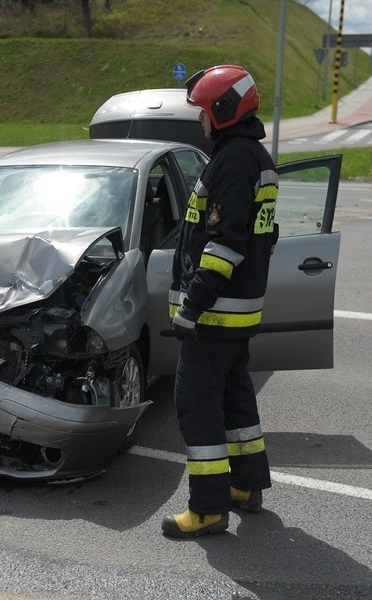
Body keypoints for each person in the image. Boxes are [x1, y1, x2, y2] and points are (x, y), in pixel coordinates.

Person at [161, 65, 278, 539]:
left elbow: (223, 245)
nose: (201, 122)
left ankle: (207, 509)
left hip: (215, 312)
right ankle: (246, 488)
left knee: (195, 404)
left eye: (205, 113)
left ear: (224, 113)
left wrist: (192, 306)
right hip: (239, 311)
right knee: (234, 399)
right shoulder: (256, 158)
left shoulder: (231, 162)